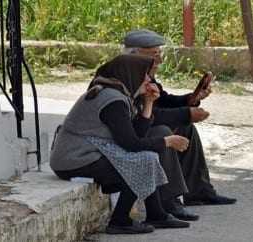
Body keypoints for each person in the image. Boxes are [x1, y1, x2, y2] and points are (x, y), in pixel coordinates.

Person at [50, 54, 190, 235]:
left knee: (145, 158)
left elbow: (135, 136)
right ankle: (120, 221)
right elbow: (131, 144)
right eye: (145, 75)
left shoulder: (118, 94)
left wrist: (148, 104)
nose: (149, 80)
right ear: (132, 74)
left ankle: (156, 214)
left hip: (88, 154)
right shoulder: (112, 99)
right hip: (74, 160)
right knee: (141, 161)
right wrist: (167, 141)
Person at [123, 29, 237, 207]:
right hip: (126, 135)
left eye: (160, 54)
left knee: (186, 128)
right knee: (163, 132)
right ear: (135, 54)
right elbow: (148, 114)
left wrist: (190, 100)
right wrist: (186, 113)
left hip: (141, 127)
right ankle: (169, 202)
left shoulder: (146, 75)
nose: (159, 60)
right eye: (154, 55)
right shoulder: (127, 77)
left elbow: (163, 100)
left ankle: (199, 191)